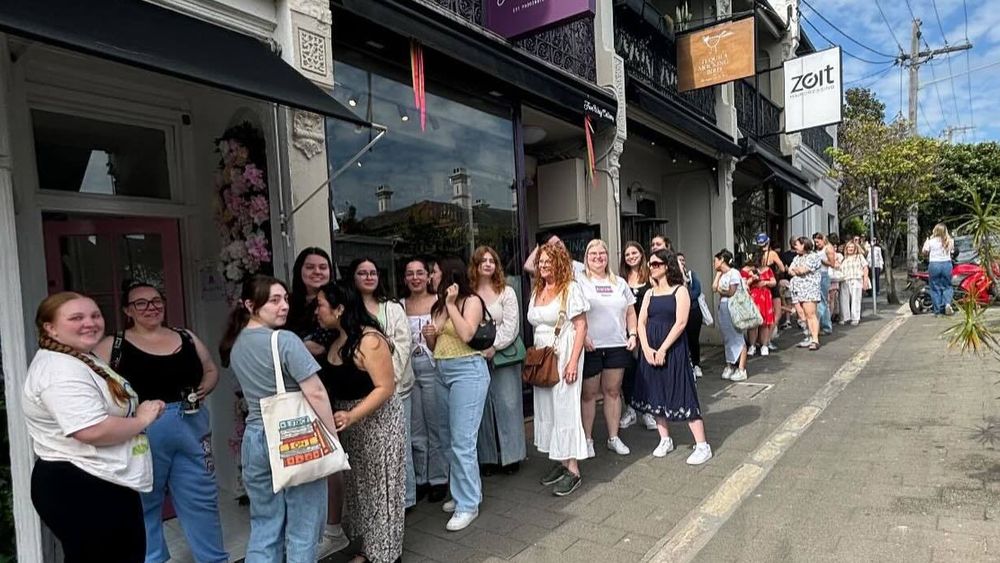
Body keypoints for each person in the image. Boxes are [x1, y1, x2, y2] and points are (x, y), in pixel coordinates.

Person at [24, 292, 164, 563]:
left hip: (101, 479)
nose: (90, 323)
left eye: (95, 315)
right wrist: (143, 420)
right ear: (50, 328)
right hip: (81, 485)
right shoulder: (59, 371)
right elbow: (92, 430)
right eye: (76, 317)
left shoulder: (81, 357)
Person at [94, 283, 227, 563]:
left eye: (156, 301)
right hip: (141, 432)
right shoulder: (112, 345)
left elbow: (211, 368)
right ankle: (152, 559)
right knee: (144, 502)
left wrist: (205, 387)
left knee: (201, 498)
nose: (150, 307)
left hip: (192, 426)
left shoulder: (186, 336)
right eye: (140, 303)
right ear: (128, 310)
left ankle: (214, 559)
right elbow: (91, 389)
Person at [220, 275, 338, 562]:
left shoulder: (236, 344)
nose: (283, 306)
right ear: (250, 304)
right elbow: (317, 393)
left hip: (255, 439)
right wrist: (332, 438)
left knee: (265, 526)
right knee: (303, 529)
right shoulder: (284, 340)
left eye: (285, 298)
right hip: (293, 435)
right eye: (274, 300)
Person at [315, 283, 404, 563]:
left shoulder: (369, 340)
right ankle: (369, 549)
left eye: (320, 305)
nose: (316, 311)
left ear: (339, 309)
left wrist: (352, 415)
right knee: (360, 488)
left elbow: (385, 387)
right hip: (350, 425)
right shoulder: (335, 339)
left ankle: (386, 555)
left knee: (382, 488)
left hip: (377, 422)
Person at [286, 248, 349, 555]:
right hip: (290, 391)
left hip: (326, 386)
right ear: (299, 271)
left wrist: (291, 345)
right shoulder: (289, 303)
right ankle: (308, 528)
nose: (317, 272)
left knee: (330, 457)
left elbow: (321, 348)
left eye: (323, 266)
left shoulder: (337, 299)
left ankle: (334, 528)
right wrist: (300, 346)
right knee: (302, 459)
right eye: (310, 267)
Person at [424, 257, 491, 531]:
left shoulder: (470, 301)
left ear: (449, 275)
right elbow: (435, 345)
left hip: (468, 371)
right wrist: (430, 334)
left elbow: (466, 334)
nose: (431, 276)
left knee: (463, 440)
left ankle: (468, 504)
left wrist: (452, 305)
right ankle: (462, 491)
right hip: (442, 369)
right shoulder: (437, 306)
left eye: (434, 270)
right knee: (448, 437)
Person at [633, 250, 713, 464]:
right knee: (656, 392)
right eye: (650, 264)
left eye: (657, 263)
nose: (652, 267)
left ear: (668, 265)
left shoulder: (680, 291)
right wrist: (648, 349)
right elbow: (641, 322)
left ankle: (702, 444)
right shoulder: (649, 293)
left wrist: (663, 349)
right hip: (651, 349)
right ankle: (664, 438)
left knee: (683, 391)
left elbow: (681, 323)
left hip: (674, 350)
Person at [349, 258, 416, 510]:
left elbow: (403, 343)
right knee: (373, 452)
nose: (368, 277)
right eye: (362, 273)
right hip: (364, 392)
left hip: (397, 388)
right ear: (353, 277)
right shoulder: (350, 309)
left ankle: (406, 499)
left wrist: (389, 378)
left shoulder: (392, 307)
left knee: (400, 445)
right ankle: (377, 502)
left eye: (373, 272)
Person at [527, 242, 590, 496]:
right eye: (540, 262)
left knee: (565, 408)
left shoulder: (570, 289)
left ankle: (573, 470)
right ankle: (561, 459)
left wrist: (573, 361)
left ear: (559, 263)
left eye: (547, 261)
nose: (542, 266)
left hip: (564, 352)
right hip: (543, 355)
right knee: (548, 408)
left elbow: (581, 327)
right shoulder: (538, 289)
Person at [469, 246, 527, 475]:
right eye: (483, 260)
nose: (487, 264)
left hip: (504, 356)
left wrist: (494, 347)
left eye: (491, 260)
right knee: (483, 408)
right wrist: (479, 350)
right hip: (476, 357)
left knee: (509, 404)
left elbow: (512, 326)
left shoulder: (507, 291)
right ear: (475, 265)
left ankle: (512, 457)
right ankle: (489, 458)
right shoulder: (470, 293)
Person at [578, 239, 637, 458]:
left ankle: (613, 437)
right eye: (593, 254)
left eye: (602, 253)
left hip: (616, 345)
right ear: (586, 257)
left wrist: (633, 334)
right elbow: (576, 313)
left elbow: (630, 312)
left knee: (613, 392)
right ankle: (587, 439)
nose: (598, 257)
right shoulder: (580, 281)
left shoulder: (619, 282)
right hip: (591, 346)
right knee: (589, 394)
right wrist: (582, 337)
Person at [400, 257, 448, 503]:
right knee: (415, 428)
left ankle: (439, 477)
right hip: (408, 371)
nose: (415, 278)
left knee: (436, 425)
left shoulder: (440, 303)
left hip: (432, 367)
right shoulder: (399, 305)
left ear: (429, 276)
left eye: (420, 272)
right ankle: (420, 478)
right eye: (410, 273)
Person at [618, 241, 653, 431]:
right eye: (627, 254)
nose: (631, 257)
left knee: (646, 371)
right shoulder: (621, 279)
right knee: (629, 371)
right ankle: (631, 409)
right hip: (627, 331)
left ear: (641, 253)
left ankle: (647, 409)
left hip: (648, 330)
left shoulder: (651, 275)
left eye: (634, 253)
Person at [712, 249, 748, 381]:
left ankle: (741, 368)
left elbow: (731, 292)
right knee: (727, 337)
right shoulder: (722, 274)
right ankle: (729, 365)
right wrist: (718, 275)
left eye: (716, 260)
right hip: (723, 307)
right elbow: (714, 287)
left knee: (737, 336)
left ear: (722, 260)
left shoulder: (734, 273)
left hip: (733, 307)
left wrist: (722, 291)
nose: (714, 263)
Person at [788, 237, 823, 350]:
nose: (795, 247)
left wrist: (797, 270)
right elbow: (790, 270)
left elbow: (802, 270)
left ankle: (815, 339)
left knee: (810, 314)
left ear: (804, 245)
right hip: (798, 290)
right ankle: (807, 336)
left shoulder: (813, 256)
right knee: (801, 314)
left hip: (809, 289)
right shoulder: (797, 257)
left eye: (797, 245)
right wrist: (796, 270)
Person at [675, 252, 704, 378]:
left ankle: (696, 364)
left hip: (693, 311)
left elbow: (697, 291)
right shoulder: (673, 277)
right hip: (678, 313)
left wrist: (685, 297)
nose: (681, 262)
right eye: (678, 260)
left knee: (693, 339)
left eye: (682, 260)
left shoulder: (691, 275)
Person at [743, 256, 776, 356]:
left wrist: (765, 282)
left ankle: (764, 345)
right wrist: (752, 279)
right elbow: (743, 284)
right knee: (753, 323)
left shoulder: (768, 269)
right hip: (753, 297)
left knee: (764, 323)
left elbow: (774, 282)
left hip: (765, 296)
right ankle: (752, 345)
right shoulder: (746, 270)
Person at [757, 234, 785, 341]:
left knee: (762, 314)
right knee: (776, 314)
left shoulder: (757, 255)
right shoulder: (772, 254)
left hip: (760, 286)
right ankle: (767, 339)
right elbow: (782, 268)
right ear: (768, 242)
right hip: (771, 284)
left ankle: (759, 340)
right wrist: (776, 272)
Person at [923, 223, 956, 316]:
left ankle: (937, 310)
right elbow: (953, 251)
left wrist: (927, 243)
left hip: (934, 264)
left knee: (935, 287)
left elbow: (924, 252)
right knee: (947, 286)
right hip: (946, 264)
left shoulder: (930, 241)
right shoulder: (950, 241)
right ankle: (947, 304)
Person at [839, 241, 870, 325]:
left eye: (852, 247)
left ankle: (855, 318)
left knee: (856, 299)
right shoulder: (844, 258)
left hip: (856, 279)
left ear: (855, 248)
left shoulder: (859, 257)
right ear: (846, 248)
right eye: (849, 247)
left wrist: (865, 280)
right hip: (845, 280)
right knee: (843, 299)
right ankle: (845, 317)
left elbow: (865, 268)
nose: (850, 249)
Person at [812, 233, 838, 334]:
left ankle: (826, 326)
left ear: (823, 239)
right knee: (819, 301)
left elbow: (832, 263)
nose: (817, 244)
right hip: (817, 275)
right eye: (815, 242)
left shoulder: (828, 248)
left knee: (822, 301)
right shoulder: (818, 249)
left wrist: (821, 260)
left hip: (823, 274)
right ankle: (822, 325)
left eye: (818, 242)